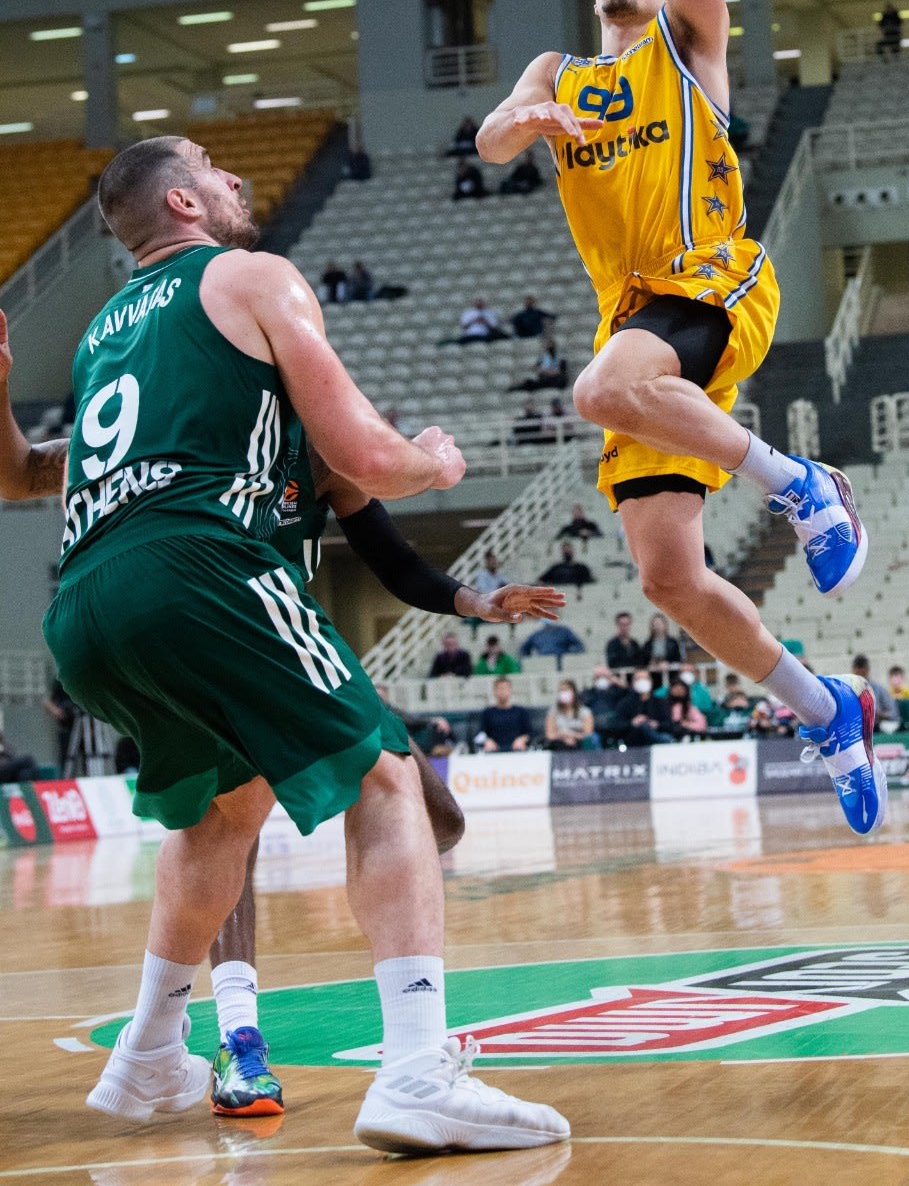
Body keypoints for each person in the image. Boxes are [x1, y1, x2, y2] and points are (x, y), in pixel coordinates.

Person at [26, 136, 566, 1150]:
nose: (235, 173)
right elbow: (368, 456)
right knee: (389, 783)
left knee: (223, 814)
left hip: (87, 606)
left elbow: (22, 474)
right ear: (183, 201)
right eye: (210, 164)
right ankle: (414, 1067)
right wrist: (435, 461)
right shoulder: (250, 276)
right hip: (201, 569)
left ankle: (149, 1049)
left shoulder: (105, 333)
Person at [475, 0, 884, 837]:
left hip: (713, 283)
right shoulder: (563, 74)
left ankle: (800, 482)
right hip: (645, 329)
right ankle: (824, 710)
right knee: (664, 576)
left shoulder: (686, 51)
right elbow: (498, 137)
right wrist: (523, 119)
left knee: (601, 385)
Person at [612, 671, 674, 747]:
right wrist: (632, 722)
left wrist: (656, 724)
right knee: (642, 727)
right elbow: (617, 725)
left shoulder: (660, 702)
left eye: (645, 678)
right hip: (633, 740)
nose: (642, 681)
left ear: (651, 682)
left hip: (656, 737)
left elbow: (669, 724)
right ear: (633, 683)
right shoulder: (625, 703)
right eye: (638, 679)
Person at [477, 678, 532, 752]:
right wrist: (487, 741)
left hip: (517, 750)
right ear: (494, 691)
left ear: (510, 690)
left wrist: (521, 740)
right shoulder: (487, 713)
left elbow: (529, 733)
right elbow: (481, 733)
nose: (502, 691)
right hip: (493, 751)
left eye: (505, 688)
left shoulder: (521, 711)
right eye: (499, 689)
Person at [851, 655, 899, 730]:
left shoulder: (879, 689)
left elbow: (894, 713)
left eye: (863, 674)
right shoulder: (848, 691)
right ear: (853, 671)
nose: (860, 677)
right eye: (858, 674)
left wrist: (878, 713)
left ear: (867, 671)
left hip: (876, 727)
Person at [544, 680, 595, 749]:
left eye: (566, 690)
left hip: (579, 743)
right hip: (559, 743)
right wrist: (562, 737)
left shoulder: (584, 711)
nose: (564, 693)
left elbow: (588, 735)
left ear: (574, 692)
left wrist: (571, 735)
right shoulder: (553, 711)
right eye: (561, 690)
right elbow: (550, 735)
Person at [518, 619, 584, 666]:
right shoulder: (537, 634)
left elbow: (579, 646)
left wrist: (569, 657)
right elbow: (524, 649)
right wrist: (530, 660)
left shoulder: (564, 631)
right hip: (542, 664)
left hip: (560, 663)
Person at [581, 666, 626, 731]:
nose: (601, 679)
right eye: (598, 677)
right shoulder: (589, 692)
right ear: (594, 678)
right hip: (596, 723)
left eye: (604, 676)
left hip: (615, 724)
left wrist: (618, 682)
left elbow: (630, 695)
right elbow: (584, 701)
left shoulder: (617, 690)